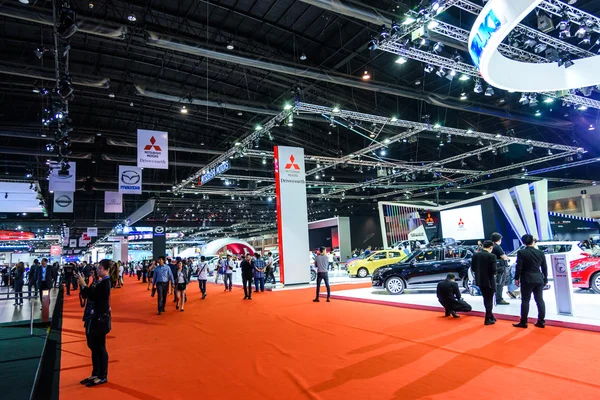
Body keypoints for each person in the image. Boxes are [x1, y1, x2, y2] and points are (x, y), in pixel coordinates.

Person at [77, 259, 112, 387]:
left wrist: (84, 285)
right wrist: (83, 285)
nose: (98, 270)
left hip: (99, 319)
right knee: (93, 346)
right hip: (91, 317)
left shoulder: (106, 283)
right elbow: (86, 294)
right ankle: (96, 373)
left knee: (100, 347)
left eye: (100, 268)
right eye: (98, 268)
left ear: (107, 270)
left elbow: (93, 295)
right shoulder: (98, 281)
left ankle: (102, 375)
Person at [513, 234, 548, 329]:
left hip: (527, 279)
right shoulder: (540, 253)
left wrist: (517, 278)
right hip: (539, 278)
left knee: (525, 301)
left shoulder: (521, 252)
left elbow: (519, 266)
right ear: (533, 241)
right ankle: (541, 321)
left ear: (523, 242)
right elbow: (544, 267)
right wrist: (545, 278)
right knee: (539, 300)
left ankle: (523, 322)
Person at [471, 240, 498, 325]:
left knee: (486, 298)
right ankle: (487, 318)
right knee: (489, 299)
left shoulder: (475, 255)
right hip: (489, 280)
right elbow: (494, 271)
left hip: (480, 280)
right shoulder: (492, 256)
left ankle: (490, 316)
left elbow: (473, 268)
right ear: (491, 247)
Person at [491, 232, 510, 305]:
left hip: (494, 267)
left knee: (496, 283)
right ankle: (499, 299)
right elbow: (504, 257)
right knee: (500, 283)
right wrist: (507, 258)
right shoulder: (497, 247)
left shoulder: (491, 246)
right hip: (500, 268)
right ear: (499, 240)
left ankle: (496, 298)